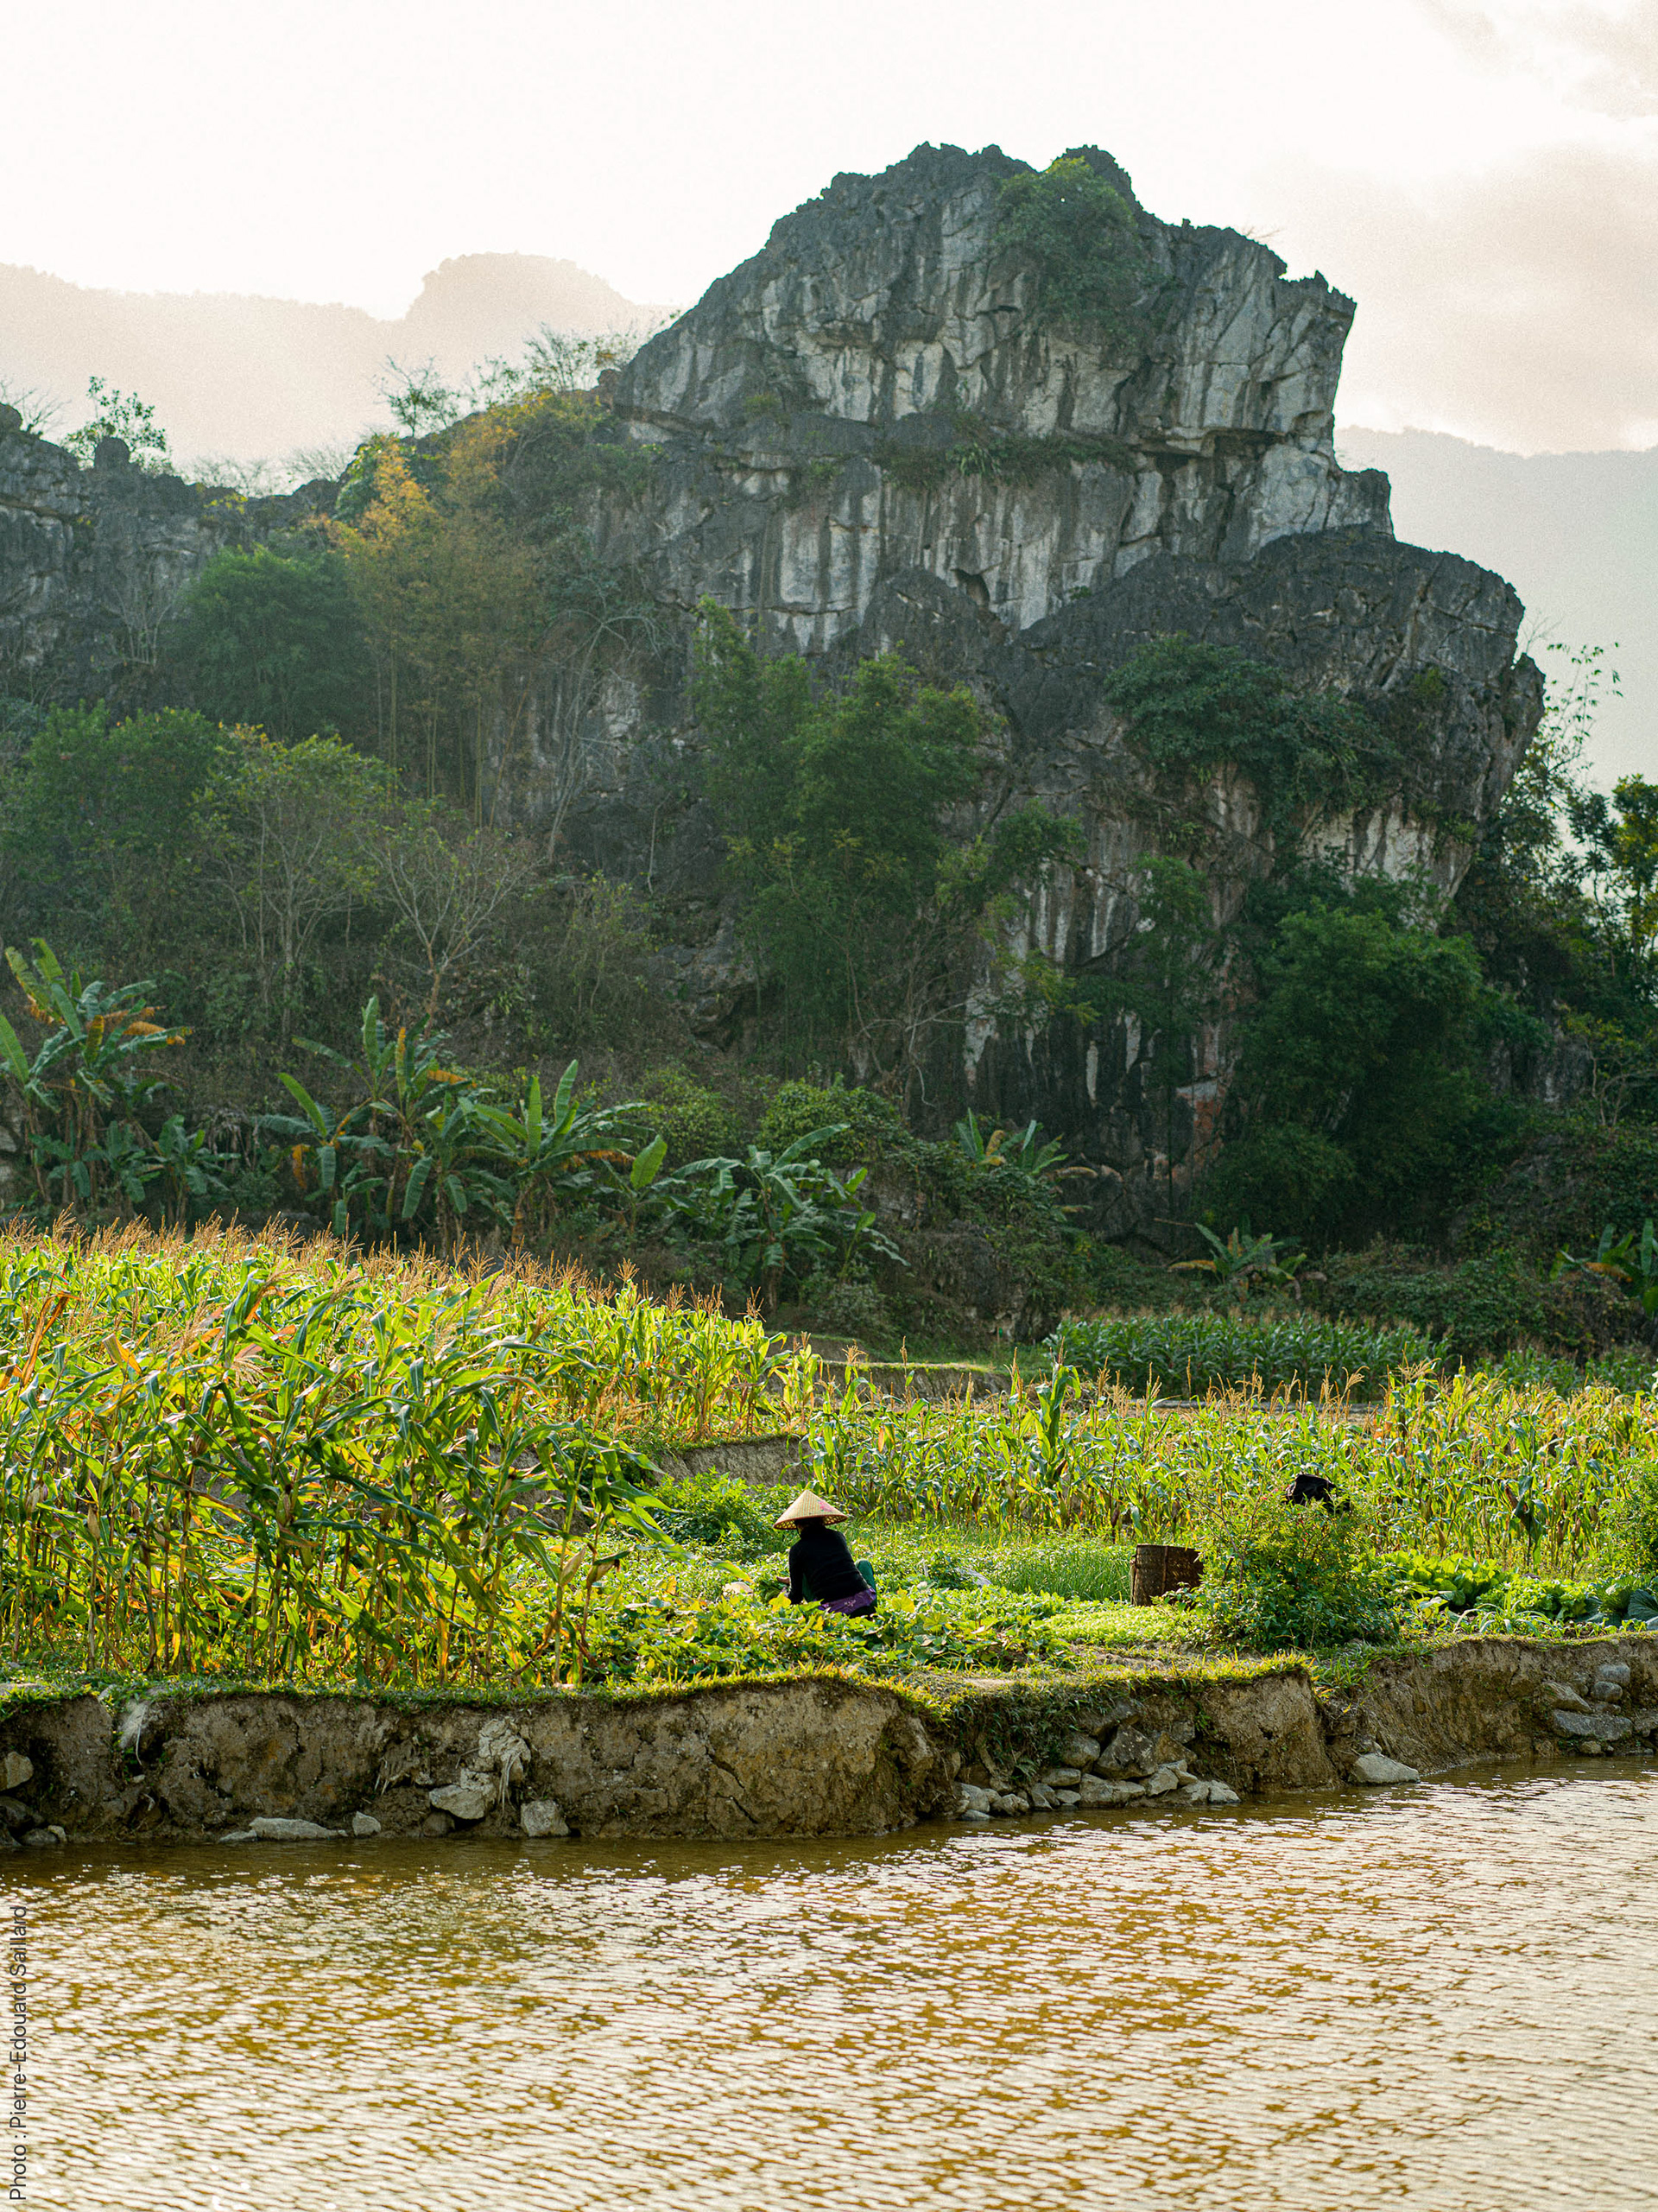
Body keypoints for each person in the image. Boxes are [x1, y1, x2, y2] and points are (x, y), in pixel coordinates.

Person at [776, 1490, 876, 1616]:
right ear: (823, 1520)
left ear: (799, 1526)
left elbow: (796, 1597)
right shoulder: (838, 1537)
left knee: (805, 1574)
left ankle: (795, 1582)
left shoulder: (797, 1550)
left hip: (831, 1614)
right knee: (863, 1563)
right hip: (865, 1605)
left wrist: (782, 1599)